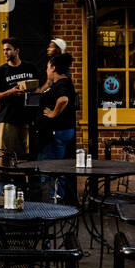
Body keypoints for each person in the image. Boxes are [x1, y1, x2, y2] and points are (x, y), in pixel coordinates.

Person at [37, 52, 77, 203]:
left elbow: (63, 100)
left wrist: (53, 114)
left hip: (56, 133)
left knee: (51, 168)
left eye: (48, 67)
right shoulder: (61, 83)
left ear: (53, 68)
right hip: (60, 131)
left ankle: (53, 203)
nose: (46, 71)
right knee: (55, 167)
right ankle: (55, 200)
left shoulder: (62, 84)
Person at [0, 37, 37, 160]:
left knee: (25, 154)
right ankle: (4, 178)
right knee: (4, 153)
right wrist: (10, 92)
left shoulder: (30, 67)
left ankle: (22, 179)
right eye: (4, 50)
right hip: (7, 118)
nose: (5, 52)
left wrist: (27, 92)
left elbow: (38, 89)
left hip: (26, 117)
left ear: (17, 51)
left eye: (8, 50)